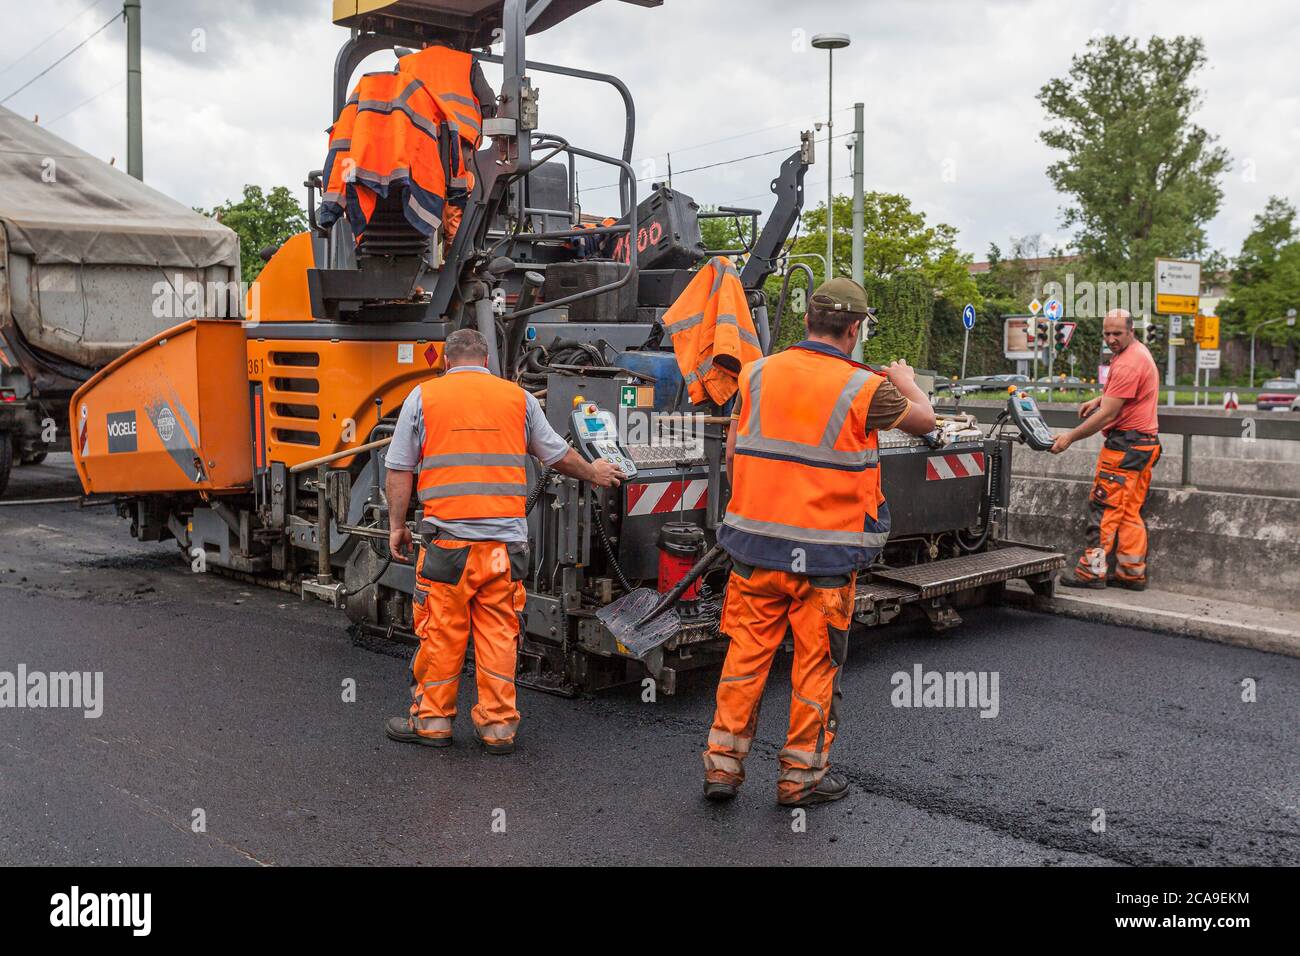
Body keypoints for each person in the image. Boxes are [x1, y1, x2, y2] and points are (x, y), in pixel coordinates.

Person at [702, 277, 937, 807]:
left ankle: (722, 767)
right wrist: (908, 380)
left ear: (807, 321)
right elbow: (926, 423)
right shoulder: (866, 387)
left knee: (744, 657)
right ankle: (800, 779)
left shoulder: (757, 373)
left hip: (754, 551)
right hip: (825, 562)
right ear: (854, 329)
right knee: (814, 668)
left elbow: (737, 448)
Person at [383, 329, 623, 753]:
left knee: (441, 633)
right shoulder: (518, 398)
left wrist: (397, 525)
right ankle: (497, 728)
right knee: (498, 635)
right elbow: (557, 455)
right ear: (487, 363)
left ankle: (434, 721)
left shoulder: (423, 397)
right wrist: (596, 472)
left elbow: (400, 469)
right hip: (504, 550)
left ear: (446, 362)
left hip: (448, 547)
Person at [1050, 308, 1161, 590]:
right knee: (1128, 511)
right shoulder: (1137, 353)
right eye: (1107, 334)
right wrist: (1100, 398)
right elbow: (1123, 395)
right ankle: (1131, 571)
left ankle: (1092, 571)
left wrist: (1070, 437)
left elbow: (1110, 414)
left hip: (1124, 447)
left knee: (1104, 510)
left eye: (1117, 334)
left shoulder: (1127, 363)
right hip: (1144, 445)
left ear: (1130, 331)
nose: (1111, 339)